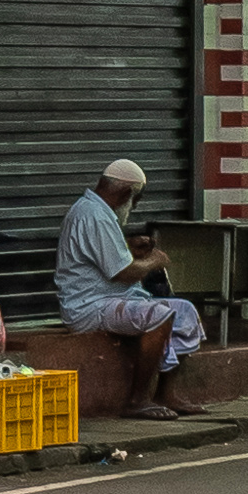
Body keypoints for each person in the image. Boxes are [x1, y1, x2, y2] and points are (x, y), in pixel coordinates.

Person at [59, 156, 209, 415]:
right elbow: (124, 273)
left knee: (184, 311)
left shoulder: (99, 212)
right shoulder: (94, 215)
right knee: (160, 316)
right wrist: (153, 261)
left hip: (114, 299)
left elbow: (106, 257)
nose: (133, 206)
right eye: (134, 200)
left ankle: (165, 394)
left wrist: (129, 248)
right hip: (88, 306)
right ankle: (137, 400)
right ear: (127, 193)